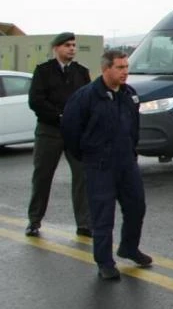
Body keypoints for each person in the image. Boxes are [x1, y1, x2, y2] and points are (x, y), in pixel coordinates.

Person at [61, 50, 151, 281]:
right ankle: (104, 262)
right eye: (120, 68)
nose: (125, 72)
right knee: (103, 216)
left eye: (126, 67)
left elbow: (134, 127)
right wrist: (88, 156)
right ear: (105, 69)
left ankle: (129, 247)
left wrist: (131, 151)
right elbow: (71, 131)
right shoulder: (86, 97)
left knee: (136, 207)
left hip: (126, 164)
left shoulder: (129, 95)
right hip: (99, 166)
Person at [25, 32, 92, 237]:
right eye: (66, 45)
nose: (71, 48)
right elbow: (36, 100)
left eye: (73, 45)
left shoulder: (81, 72)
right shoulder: (43, 71)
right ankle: (34, 221)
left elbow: (88, 100)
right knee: (42, 177)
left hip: (75, 133)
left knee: (82, 177)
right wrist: (59, 116)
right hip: (49, 132)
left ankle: (84, 223)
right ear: (56, 48)